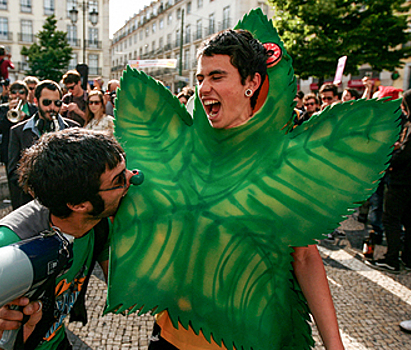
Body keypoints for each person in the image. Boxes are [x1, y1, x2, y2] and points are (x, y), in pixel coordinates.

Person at [147, 29, 344, 350]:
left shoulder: (282, 164)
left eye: (217, 76)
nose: (204, 88)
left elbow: (305, 257)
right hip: (175, 336)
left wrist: (335, 346)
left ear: (250, 83)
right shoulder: (184, 152)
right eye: (200, 78)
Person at [0, 128, 134, 349]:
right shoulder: (5, 244)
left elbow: (121, 289)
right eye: (119, 179)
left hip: (57, 341)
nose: (132, 178)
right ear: (80, 205)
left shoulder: (99, 222)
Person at [366, 86, 411, 273]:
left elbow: (407, 153)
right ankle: (408, 258)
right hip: (409, 180)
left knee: (391, 218)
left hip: (402, 179)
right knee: (409, 219)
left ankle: (392, 259)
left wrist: (388, 160)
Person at [8, 80, 79, 209]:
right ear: (36, 102)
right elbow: (13, 171)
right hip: (32, 203)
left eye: (57, 103)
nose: (52, 108)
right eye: (46, 102)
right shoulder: (17, 132)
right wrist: (33, 188)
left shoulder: (74, 128)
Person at [0, 81, 37, 168]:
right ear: (10, 94)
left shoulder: (33, 109)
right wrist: (8, 112)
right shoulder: (3, 108)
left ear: (26, 95)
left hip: (28, 147)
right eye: (14, 93)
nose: (18, 95)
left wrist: (26, 118)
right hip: (9, 148)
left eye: (21, 93)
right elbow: (0, 127)